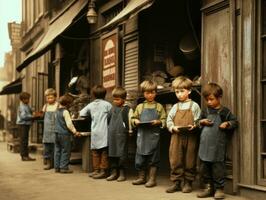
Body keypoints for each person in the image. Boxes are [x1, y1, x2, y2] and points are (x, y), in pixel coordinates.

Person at [196, 83, 238, 199]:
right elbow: (198, 121)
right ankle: (208, 188)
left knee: (218, 168)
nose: (209, 102)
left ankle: (219, 189)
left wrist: (227, 123)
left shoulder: (224, 111)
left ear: (219, 97)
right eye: (206, 100)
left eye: (211, 99)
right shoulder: (206, 111)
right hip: (205, 145)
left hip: (217, 146)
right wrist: (202, 121)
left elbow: (235, 122)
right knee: (204, 168)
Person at [166, 76, 201, 193]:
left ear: (189, 91)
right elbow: (169, 120)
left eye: (182, 91)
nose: (179, 94)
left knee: (190, 159)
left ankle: (188, 182)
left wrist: (195, 125)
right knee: (175, 159)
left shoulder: (194, 106)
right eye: (177, 92)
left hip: (191, 137)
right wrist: (172, 127)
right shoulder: (175, 107)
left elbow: (199, 120)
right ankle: (176, 182)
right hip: (176, 136)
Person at [131, 80, 166, 188]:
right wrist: (135, 121)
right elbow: (133, 118)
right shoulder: (140, 107)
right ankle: (141, 178)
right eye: (147, 93)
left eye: (152, 92)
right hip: (142, 136)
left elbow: (164, 119)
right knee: (140, 158)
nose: (150, 95)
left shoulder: (159, 106)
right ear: (143, 93)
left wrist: (158, 122)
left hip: (154, 136)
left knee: (153, 159)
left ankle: (152, 179)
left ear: (156, 92)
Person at [80, 85, 112, 179]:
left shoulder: (91, 105)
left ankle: (96, 170)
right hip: (105, 131)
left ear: (93, 95)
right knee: (104, 152)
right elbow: (112, 115)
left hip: (95, 131)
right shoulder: (107, 104)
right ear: (105, 95)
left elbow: (82, 113)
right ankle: (103, 171)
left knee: (95, 152)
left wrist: (90, 115)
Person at [106, 86, 133, 182]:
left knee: (122, 154)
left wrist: (130, 131)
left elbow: (130, 121)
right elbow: (108, 121)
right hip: (112, 135)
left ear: (124, 99)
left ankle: (122, 173)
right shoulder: (111, 109)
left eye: (118, 99)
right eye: (114, 99)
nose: (115, 101)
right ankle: (114, 172)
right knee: (112, 154)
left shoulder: (127, 109)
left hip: (122, 135)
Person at [54, 95, 80, 173]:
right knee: (66, 150)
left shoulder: (57, 111)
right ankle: (64, 168)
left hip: (56, 133)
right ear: (68, 104)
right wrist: (75, 131)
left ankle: (57, 167)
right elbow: (69, 124)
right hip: (64, 134)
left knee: (57, 150)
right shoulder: (65, 111)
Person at [16, 92, 36, 161]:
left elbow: (30, 110)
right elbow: (23, 116)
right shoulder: (22, 106)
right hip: (22, 124)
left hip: (25, 124)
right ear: (23, 99)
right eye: (27, 99)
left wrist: (33, 111)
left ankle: (26, 155)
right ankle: (24, 156)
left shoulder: (26, 105)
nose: (28, 100)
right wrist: (32, 116)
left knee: (25, 140)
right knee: (23, 140)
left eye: (28, 99)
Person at [41, 88, 58, 170]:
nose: (49, 99)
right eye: (48, 98)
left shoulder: (57, 105)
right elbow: (42, 116)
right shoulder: (45, 106)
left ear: (55, 97)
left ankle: (54, 163)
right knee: (47, 146)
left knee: (55, 146)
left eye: (51, 97)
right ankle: (48, 162)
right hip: (47, 129)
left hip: (55, 128)